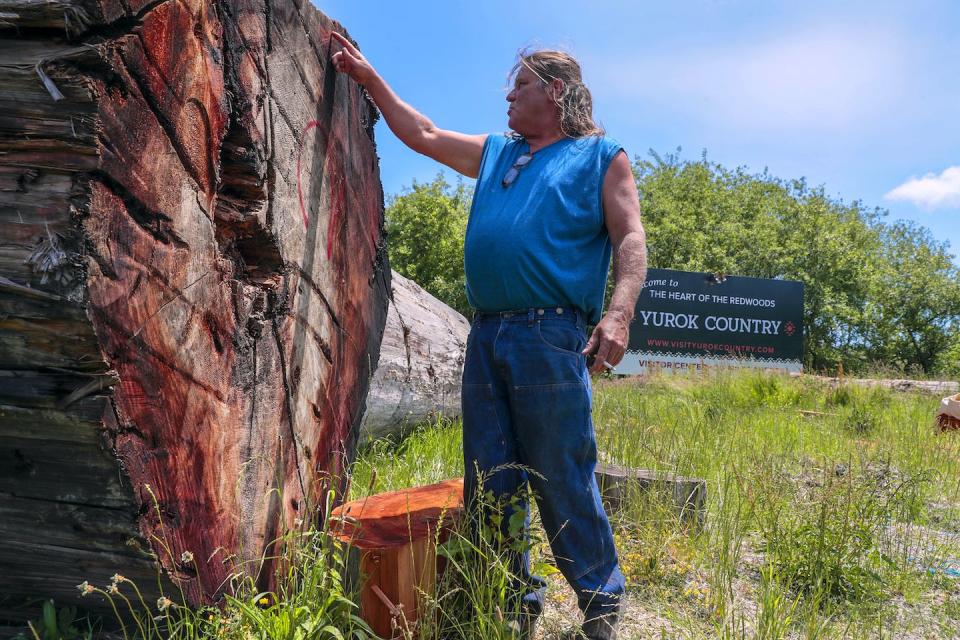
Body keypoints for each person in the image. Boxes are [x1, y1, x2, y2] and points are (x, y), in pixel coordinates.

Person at [331, 32, 647, 640]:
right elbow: (422, 134)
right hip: (488, 338)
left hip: (551, 336)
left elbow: (630, 237)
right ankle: (511, 604)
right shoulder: (500, 153)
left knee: (561, 473)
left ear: (555, 92)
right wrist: (371, 80)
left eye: (521, 85)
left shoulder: (601, 156)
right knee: (490, 478)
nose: (508, 96)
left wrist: (620, 312)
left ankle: (601, 609)